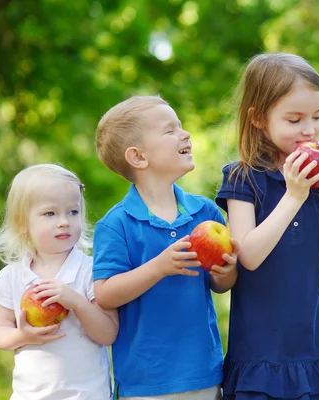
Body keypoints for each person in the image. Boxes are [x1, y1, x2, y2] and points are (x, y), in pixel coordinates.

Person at [215, 53, 319, 400]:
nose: (309, 129)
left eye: (317, 116)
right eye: (294, 119)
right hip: (260, 357)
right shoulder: (242, 176)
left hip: (313, 351)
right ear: (259, 118)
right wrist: (294, 194)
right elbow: (247, 254)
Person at [92, 95, 238, 400]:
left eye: (181, 127)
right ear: (138, 157)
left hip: (203, 374)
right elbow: (105, 294)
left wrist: (228, 270)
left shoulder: (205, 214)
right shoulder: (115, 225)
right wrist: (158, 267)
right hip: (145, 384)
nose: (184, 134)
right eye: (170, 131)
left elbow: (220, 284)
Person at [0, 164, 118, 400]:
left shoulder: (90, 270)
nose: (64, 221)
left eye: (73, 212)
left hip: (87, 395)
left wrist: (77, 302)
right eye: (50, 213)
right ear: (21, 223)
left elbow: (108, 334)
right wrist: (23, 336)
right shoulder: (13, 276)